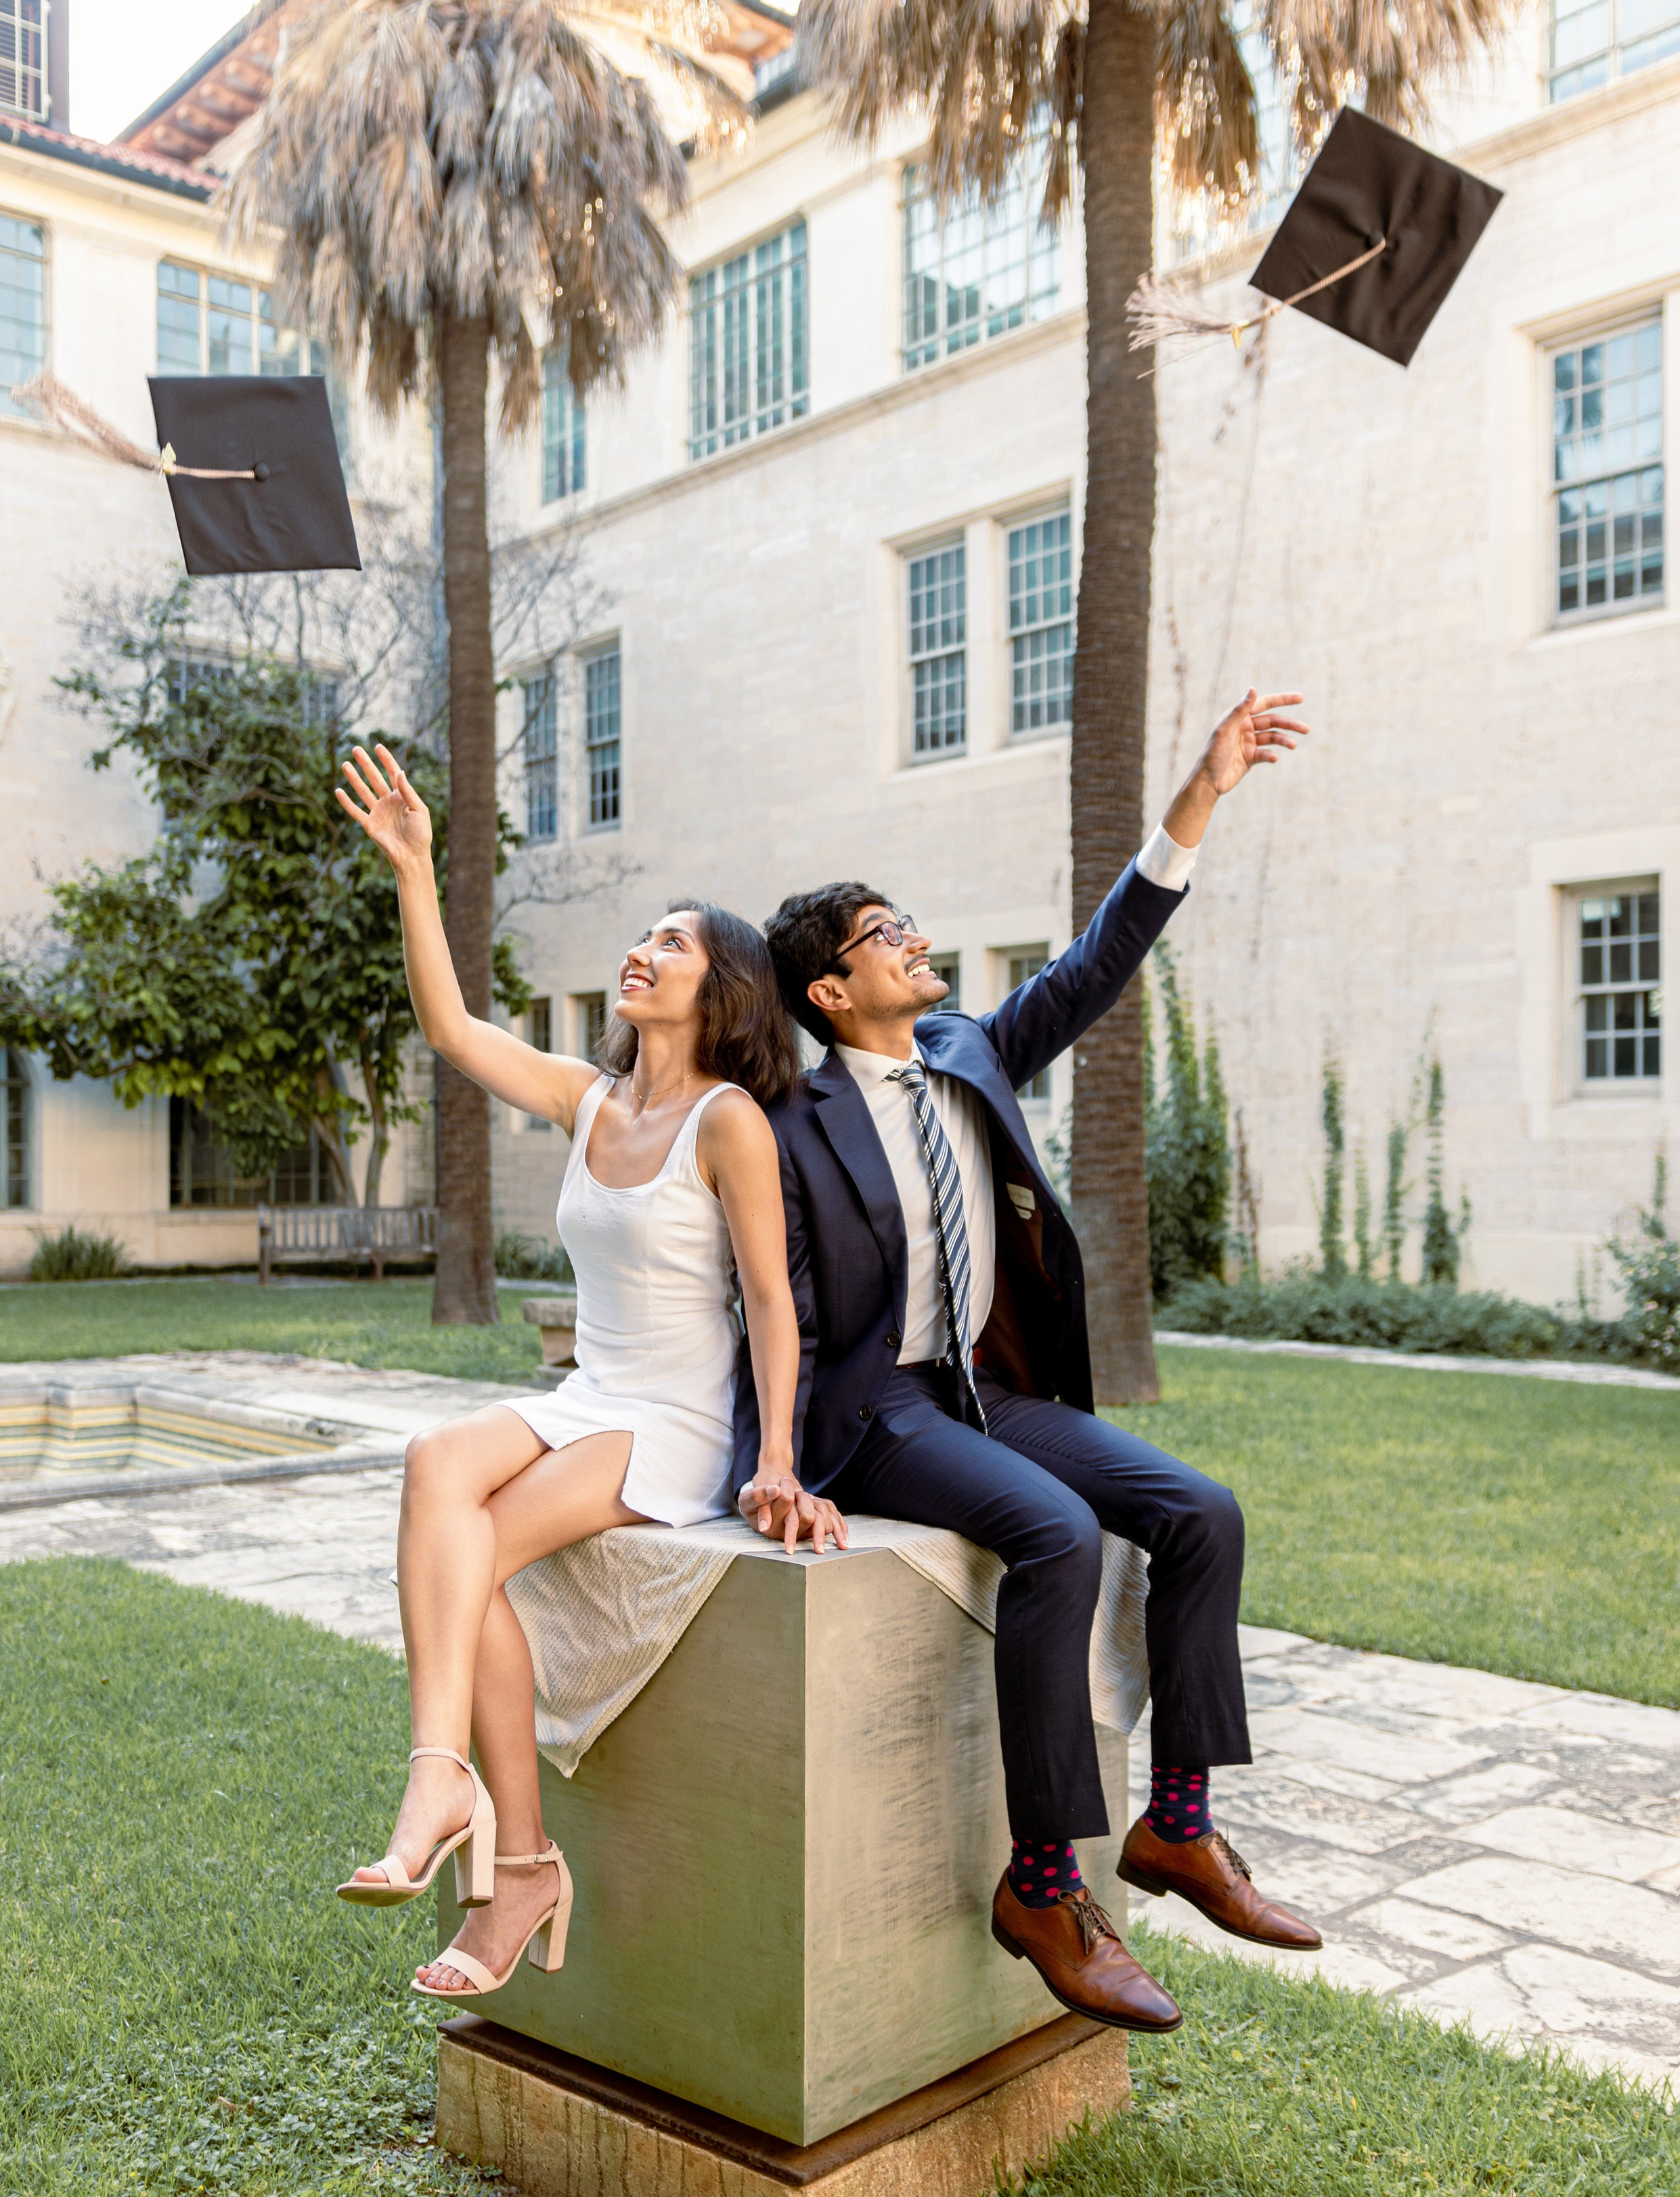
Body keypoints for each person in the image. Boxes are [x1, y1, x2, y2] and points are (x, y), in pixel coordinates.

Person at [743, 691, 1318, 2037]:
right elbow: (774, 1305)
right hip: (873, 1411)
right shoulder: (785, 1118)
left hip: (987, 1397)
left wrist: (1199, 794)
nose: (915, 940)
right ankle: (1044, 1883)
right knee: (1058, 1536)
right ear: (830, 991)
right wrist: (768, 1464)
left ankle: (1176, 1829)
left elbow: (1096, 962)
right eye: (886, 935)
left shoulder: (967, 1053)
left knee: (1198, 1513)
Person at [334, 743, 845, 2001]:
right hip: (589, 1396)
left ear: (720, 988)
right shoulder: (590, 1099)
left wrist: (774, 1455)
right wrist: (414, 869)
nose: (643, 951)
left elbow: (772, 1305)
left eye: (672, 943)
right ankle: (479, 1815)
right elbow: (450, 1027)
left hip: (670, 1422)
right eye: (644, 936)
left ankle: (491, 1842)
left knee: (483, 1547)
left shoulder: (726, 1120)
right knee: (434, 1466)